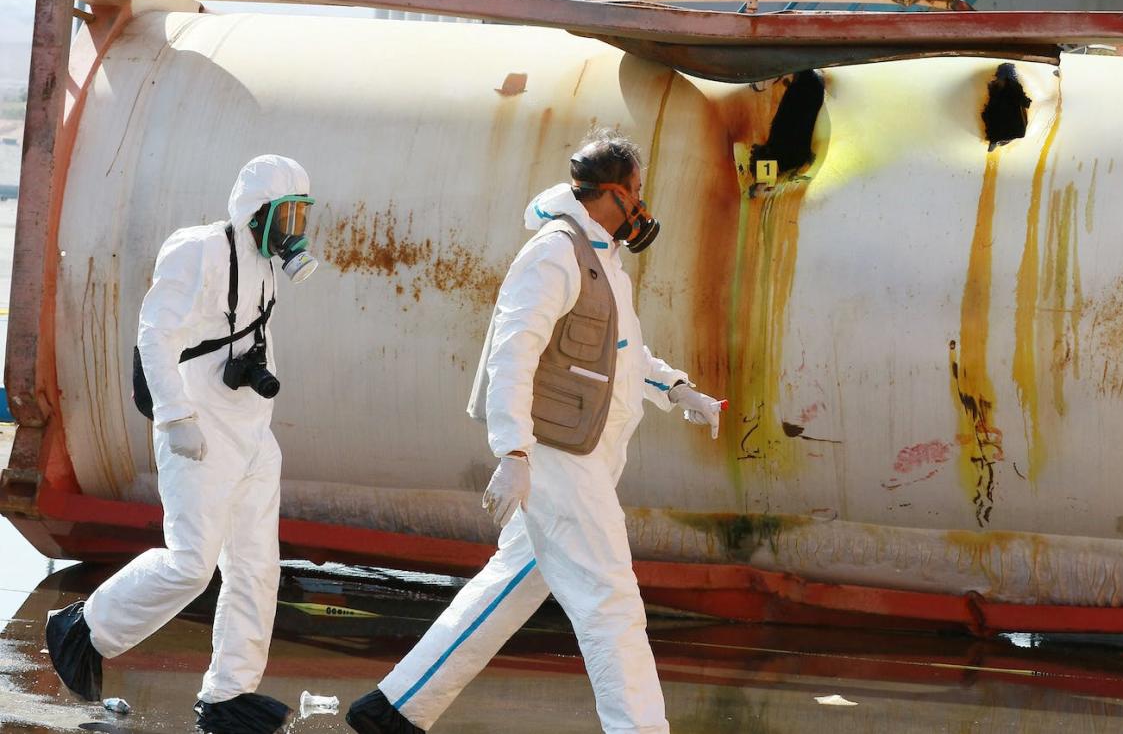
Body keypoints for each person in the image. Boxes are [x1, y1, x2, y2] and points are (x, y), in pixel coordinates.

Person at [346, 130, 724, 734]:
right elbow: (512, 353)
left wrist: (678, 391)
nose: (643, 207)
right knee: (612, 601)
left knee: (511, 585)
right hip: (556, 456)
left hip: (585, 454)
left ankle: (394, 709)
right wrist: (513, 451)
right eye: (637, 192)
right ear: (608, 193)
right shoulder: (555, 254)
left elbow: (624, 353)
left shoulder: (603, 256)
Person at [45, 155, 320, 733]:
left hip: (251, 432)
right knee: (192, 563)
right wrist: (174, 418)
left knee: (255, 566)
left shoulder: (266, 263)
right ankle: (83, 627)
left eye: (302, 213)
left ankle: (230, 693)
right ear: (255, 213)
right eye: (286, 213)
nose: (295, 227)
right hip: (199, 424)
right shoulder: (199, 250)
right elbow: (155, 333)